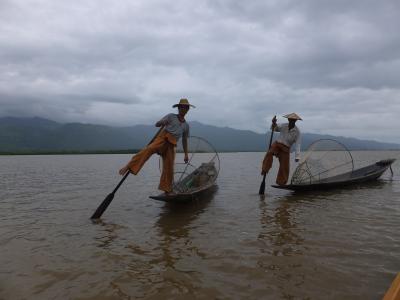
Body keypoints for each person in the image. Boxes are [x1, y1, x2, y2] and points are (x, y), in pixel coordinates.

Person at [119, 98, 195, 194]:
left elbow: (184, 140)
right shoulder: (171, 116)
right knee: (149, 149)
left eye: (185, 108)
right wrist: (161, 122)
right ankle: (129, 166)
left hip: (172, 145)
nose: (183, 109)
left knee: (169, 168)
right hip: (162, 139)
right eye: (181, 107)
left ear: (187, 110)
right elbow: (157, 124)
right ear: (178, 108)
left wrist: (186, 154)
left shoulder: (186, 126)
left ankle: (167, 189)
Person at [261, 113, 302, 185]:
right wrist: (274, 123)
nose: (292, 121)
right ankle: (265, 169)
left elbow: (298, 144)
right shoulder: (284, 125)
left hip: (286, 148)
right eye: (291, 120)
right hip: (277, 144)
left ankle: (281, 182)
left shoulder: (297, 132)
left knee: (284, 166)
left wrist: (297, 156)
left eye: (294, 120)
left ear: (296, 121)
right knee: (269, 153)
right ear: (288, 119)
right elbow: (274, 128)